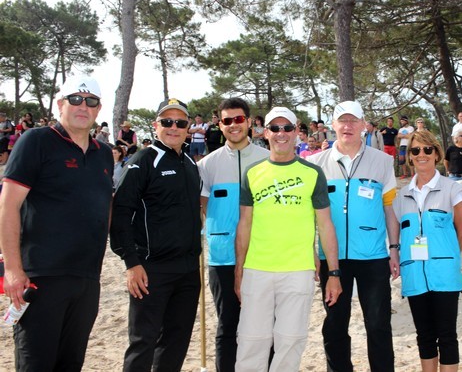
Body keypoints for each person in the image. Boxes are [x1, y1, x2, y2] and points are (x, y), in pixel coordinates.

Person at [0, 75, 113, 371]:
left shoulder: (104, 154)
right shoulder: (36, 141)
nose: (83, 106)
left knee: (71, 364)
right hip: (41, 276)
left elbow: (105, 207)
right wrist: (12, 269)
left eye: (90, 101)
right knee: (36, 364)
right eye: (75, 99)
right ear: (60, 104)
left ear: (98, 109)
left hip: (87, 279)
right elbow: (8, 205)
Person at [234, 106, 342, 371]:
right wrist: (239, 270)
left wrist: (334, 273)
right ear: (265, 133)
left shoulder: (313, 173)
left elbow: (325, 225)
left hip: (298, 270)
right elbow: (244, 223)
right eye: (275, 128)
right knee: (251, 341)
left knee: (291, 341)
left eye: (287, 128)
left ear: (296, 132)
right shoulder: (252, 172)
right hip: (257, 269)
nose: (281, 133)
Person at [110, 98, 202, 372]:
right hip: (151, 270)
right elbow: (120, 213)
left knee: (176, 341)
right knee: (143, 342)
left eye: (180, 123)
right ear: (155, 125)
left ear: (188, 128)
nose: (174, 127)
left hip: (188, 270)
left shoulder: (190, 162)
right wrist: (131, 263)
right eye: (167, 121)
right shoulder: (143, 160)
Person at [307, 100, 399, 372]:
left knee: (378, 324)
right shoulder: (314, 164)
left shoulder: (383, 161)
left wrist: (394, 249)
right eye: (342, 120)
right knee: (335, 325)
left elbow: (389, 209)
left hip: (374, 256)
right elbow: (307, 216)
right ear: (332, 125)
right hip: (332, 259)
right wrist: (311, 252)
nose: (347, 126)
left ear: (363, 125)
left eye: (353, 120)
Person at [197, 97, 270, 372]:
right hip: (222, 257)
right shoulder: (207, 165)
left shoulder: (268, 160)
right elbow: (204, 208)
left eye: (239, 119)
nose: (233, 125)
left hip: (262, 256)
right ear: (220, 125)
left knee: (263, 328)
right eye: (227, 120)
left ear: (249, 122)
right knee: (227, 326)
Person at [392, 130, 462, 372]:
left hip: (445, 274)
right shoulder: (401, 196)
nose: (421, 154)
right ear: (410, 156)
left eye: (427, 149)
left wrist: (447, 257)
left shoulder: (452, 189)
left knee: (447, 335)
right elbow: (396, 237)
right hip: (414, 275)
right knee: (424, 335)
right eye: (416, 150)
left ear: (436, 154)